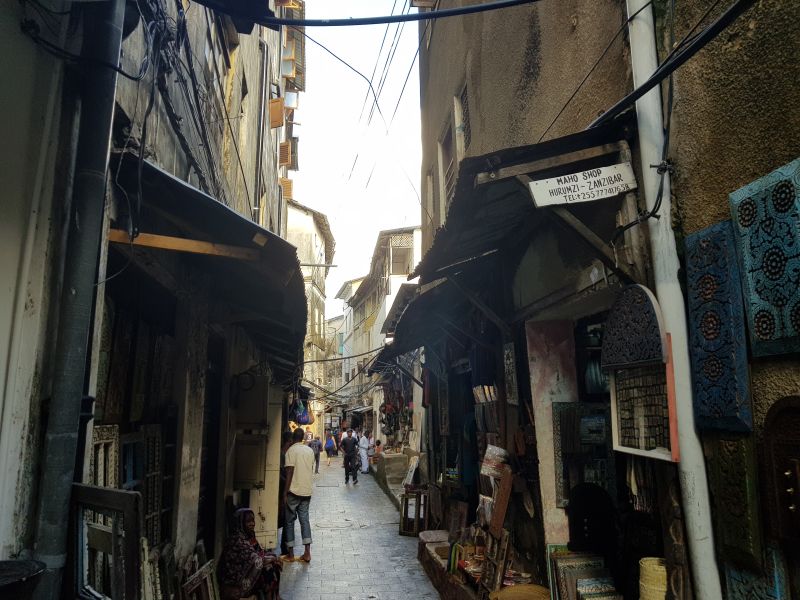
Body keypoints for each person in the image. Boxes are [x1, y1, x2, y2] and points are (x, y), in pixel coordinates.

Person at [219, 508, 282, 600]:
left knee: (272, 566)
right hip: (235, 583)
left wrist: (272, 557)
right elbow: (255, 560)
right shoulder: (236, 541)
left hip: (247, 576)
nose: (252, 523)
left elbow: (260, 552)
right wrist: (271, 558)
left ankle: (274, 596)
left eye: (253, 520)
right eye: (248, 521)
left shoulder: (249, 536)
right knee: (267, 569)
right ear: (240, 523)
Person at [283, 427, 315, 562]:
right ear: (302, 438)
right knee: (304, 520)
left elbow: (289, 472)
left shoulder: (291, 451)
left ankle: (290, 554)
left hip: (294, 491)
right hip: (306, 490)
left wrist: (285, 492)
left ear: (292, 439)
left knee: (289, 522)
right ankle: (307, 553)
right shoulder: (309, 450)